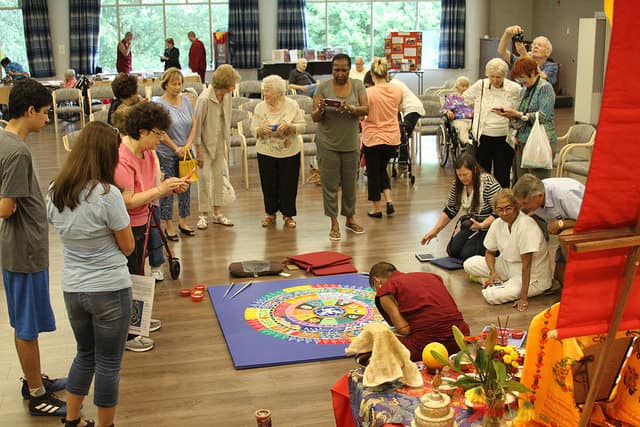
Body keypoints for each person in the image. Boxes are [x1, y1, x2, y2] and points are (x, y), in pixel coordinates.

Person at [47, 122, 135, 427]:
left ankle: (72, 420)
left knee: (84, 354)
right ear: (106, 154)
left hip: (73, 288)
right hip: (109, 288)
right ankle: (106, 425)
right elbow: (127, 247)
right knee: (109, 363)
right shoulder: (107, 195)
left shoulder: (55, 190)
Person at [0, 79, 67, 417]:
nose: (47, 119)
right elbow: (5, 207)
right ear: (29, 111)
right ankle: (36, 393)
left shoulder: (5, 140)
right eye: (44, 113)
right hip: (23, 251)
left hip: (24, 247)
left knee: (26, 323)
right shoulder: (16, 151)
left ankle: (34, 377)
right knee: (26, 325)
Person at [115, 102, 189, 352]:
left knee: (138, 274)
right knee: (129, 278)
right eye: (158, 134)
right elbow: (126, 201)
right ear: (143, 131)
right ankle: (128, 334)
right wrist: (161, 189)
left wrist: (171, 186)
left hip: (143, 220)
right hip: (126, 225)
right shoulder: (122, 158)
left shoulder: (148, 153)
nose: (162, 139)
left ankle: (137, 322)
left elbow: (152, 187)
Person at [463, 189, 552, 311]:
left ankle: (498, 285)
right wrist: (493, 271)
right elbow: (489, 252)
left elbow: (527, 265)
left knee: (492, 296)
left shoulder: (526, 226)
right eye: (500, 209)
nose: (504, 213)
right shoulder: (497, 223)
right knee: (469, 264)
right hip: (506, 265)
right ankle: (496, 281)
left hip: (531, 275)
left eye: (508, 208)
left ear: (516, 207)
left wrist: (523, 298)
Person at [312, 53, 369, 241]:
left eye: (344, 69)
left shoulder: (358, 85)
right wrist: (321, 108)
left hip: (350, 142)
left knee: (350, 183)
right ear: (332, 69)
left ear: (349, 69)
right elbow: (315, 117)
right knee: (329, 184)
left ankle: (350, 219)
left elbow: (366, 109)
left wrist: (352, 109)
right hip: (327, 142)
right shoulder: (323, 87)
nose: (340, 73)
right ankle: (334, 222)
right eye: (337, 69)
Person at [368, 262, 470, 361]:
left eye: (375, 289)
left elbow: (404, 330)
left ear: (377, 281)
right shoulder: (432, 276)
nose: (377, 292)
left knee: (378, 338)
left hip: (427, 347)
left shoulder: (385, 290)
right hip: (461, 339)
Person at [421, 154, 501, 260]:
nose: (462, 178)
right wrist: (435, 231)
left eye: (465, 174)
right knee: (453, 251)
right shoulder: (457, 184)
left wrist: (483, 225)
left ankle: (496, 249)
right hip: (472, 226)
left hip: (490, 228)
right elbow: (450, 209)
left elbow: (499, 211)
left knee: (466, 255)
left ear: (475, 170)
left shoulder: (488, 183)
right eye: (459, 175)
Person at [251, 75, 305, 228]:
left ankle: (288, 215)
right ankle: (270, 213)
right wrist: (262, 129)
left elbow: (303, 126)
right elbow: (253, 130)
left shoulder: (292, 105)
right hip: (266, 152)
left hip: (289, 152)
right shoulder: (260, 107)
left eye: (267, 90)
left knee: (288, 184)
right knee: (268, 184)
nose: (264, 93)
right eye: (264, 90)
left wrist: (291, 127)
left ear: (278, 92)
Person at [513, 173, 585, 284]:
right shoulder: (536, 194)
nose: (523, 207)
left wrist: (561, 224)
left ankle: (581, 279)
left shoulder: (566, 195)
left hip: (594, 228)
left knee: (565, 236)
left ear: (540, 196)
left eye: (525, 203)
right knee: (559, 279)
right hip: (569, 227)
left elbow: (589, 221)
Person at [193, 64, 240, 229]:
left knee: (219, 177)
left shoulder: (227, 96)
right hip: (203, 144)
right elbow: (196, 127)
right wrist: (198, 151)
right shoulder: (204, 98)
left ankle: (217, 213)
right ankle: (203, 214)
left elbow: (226, 118)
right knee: (205, 179)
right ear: (225, 83)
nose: (234, 86)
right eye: (232, 82)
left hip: (219, 141)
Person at [494, 57, 557, 181]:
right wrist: (510, 115)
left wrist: (518, 114)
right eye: (518, 78)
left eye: (522, 77)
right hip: (521, 141)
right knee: (521, 183)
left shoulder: (545, 88)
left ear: (533, 73)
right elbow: (521, 113)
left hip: (540, 142)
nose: (520, 81)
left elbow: (545, 116)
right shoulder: (524, 90)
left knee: (536, 184)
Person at [464, 58, 521, 188]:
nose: (495, 80)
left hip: (505, 138)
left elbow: (522, 107)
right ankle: (483, 204)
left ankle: (502, 205)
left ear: (505, 76)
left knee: (503, 175)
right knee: (483, 176)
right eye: (492, 77)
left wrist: (512, 112)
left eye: (499, 77)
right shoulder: (481, 85)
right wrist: (475, 109)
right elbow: (464, 99)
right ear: (487, 75)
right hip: (483, 137)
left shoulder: (514, 88)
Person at [153, 68, 196, 239]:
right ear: (165, 85)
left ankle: (183, 221)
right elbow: (160, 131)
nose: (177, 87)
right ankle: (168, 224)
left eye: (179, 84)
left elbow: (194, 124)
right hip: (167, 152)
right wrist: (175, 148)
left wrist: (187, 145)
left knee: (186, 186)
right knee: (169, 188)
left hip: (186, 151)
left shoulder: (186, 101)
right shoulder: (159, 104)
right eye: (174, 84)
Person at [362, 57, 402, 218]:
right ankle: (389, 201)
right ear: (386, 73)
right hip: (392, 137)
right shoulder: (397, 90)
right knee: (381, 169)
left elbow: (365, 113)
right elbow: (398, 109)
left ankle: (376, 208)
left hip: (373, 137)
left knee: (373, 173)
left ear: (372, 74)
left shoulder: (368, 92)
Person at [389, 74, 425, 167]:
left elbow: (398, 105)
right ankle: (400, 157)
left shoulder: (393, 84)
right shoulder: (394, 82)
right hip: (410, 108)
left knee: (403, 130)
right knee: (402, 131)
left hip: (412, 108)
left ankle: (403, 160)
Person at [440, 76, 474, 147]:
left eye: (467, 86)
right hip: (459, 119)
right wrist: (448, 112)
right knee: (462, 128)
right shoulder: (452, 97)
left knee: (479, 129)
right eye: (463, 86)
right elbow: (444, 109)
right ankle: (467, 145)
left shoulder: (472, 97)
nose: (465, 88)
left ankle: (477, 145)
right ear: (457, 87)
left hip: (472, 120)